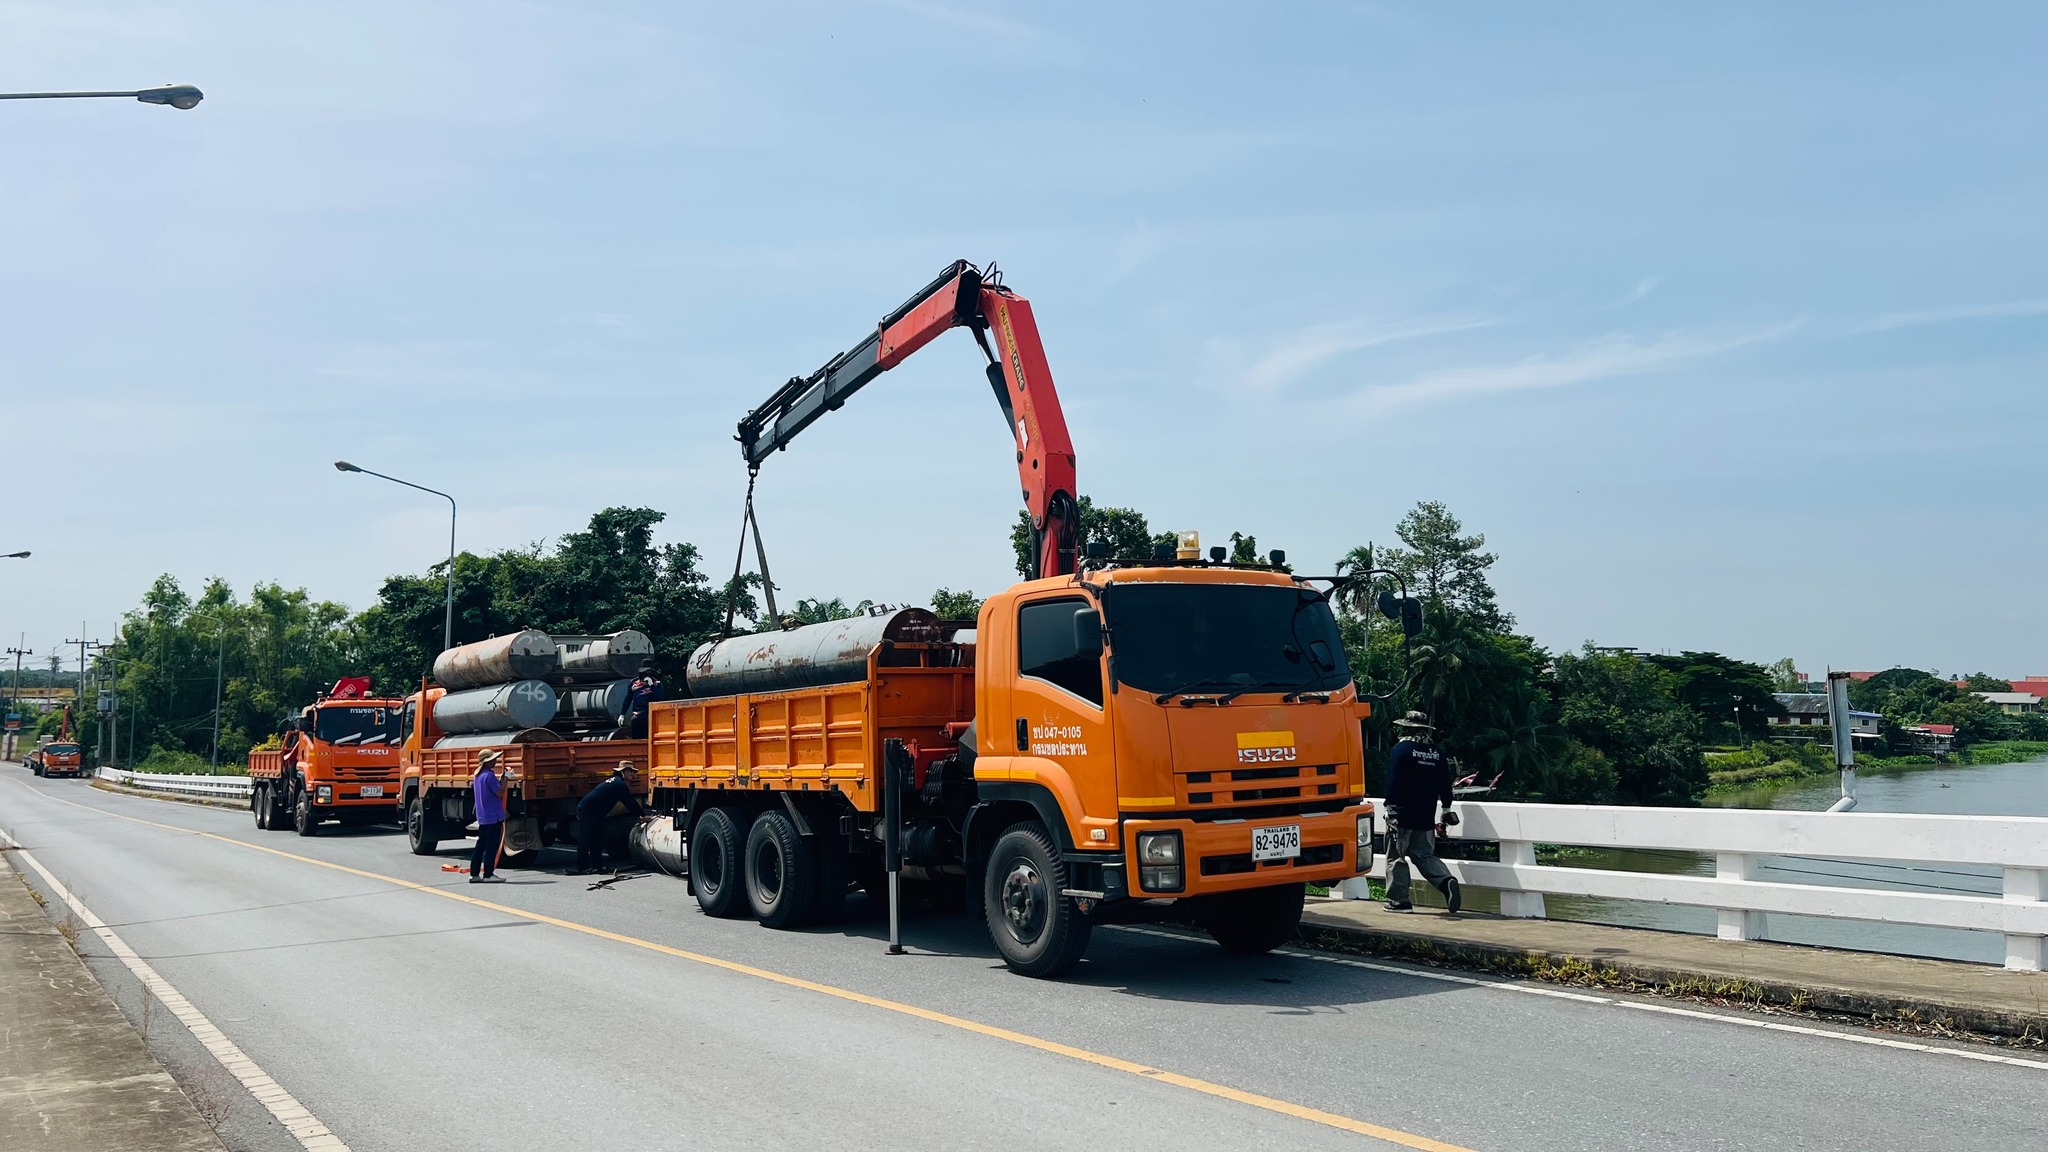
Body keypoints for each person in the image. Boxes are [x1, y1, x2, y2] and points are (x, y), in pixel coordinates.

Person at [1382, 711, 1461, 913]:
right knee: (1425, 855)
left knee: (1396, 857)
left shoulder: (1402, 749)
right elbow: (1445, 784)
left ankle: (1399, 901)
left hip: (1401, 815)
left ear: (1406, 727)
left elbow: (1393, 781)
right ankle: (1446, 881)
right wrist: (1446, 808)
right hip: (1426, 815)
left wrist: (1391, 809)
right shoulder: (1437, 753)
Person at [568, 761, 646, 875]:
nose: (632, 774)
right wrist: (642, 815)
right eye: (629, 771)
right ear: (622, 772)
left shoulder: (617, 782)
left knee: (598, 838)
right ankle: (583, 866)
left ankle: (597, 865)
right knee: (585, 838)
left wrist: (640, 814)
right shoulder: (619, 784)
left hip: (597, 812)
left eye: (633, 772)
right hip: (588, 810)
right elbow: (629, 802)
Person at [470, 749, 508, 884]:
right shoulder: (489, 776)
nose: (496, 761)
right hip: (493, 816)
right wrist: (507, 779)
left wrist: (502, 779)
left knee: (480, 845)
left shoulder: (478, 776)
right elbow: (499, 792)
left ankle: (474, 874)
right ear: (487, 762)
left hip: (483, 816)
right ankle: (488, 874)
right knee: (491, 846)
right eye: (493, 759)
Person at [613, 661, 664, 741]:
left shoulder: (657, 683)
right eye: (644, 672)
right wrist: (622, 714)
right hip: (637, 716)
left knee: (650, 739)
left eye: (648, 672)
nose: (646, 674)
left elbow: (660, 698)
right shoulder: (634, 683)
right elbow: (628, 698)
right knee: (637, 739)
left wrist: (651, 685)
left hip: (651, 716)